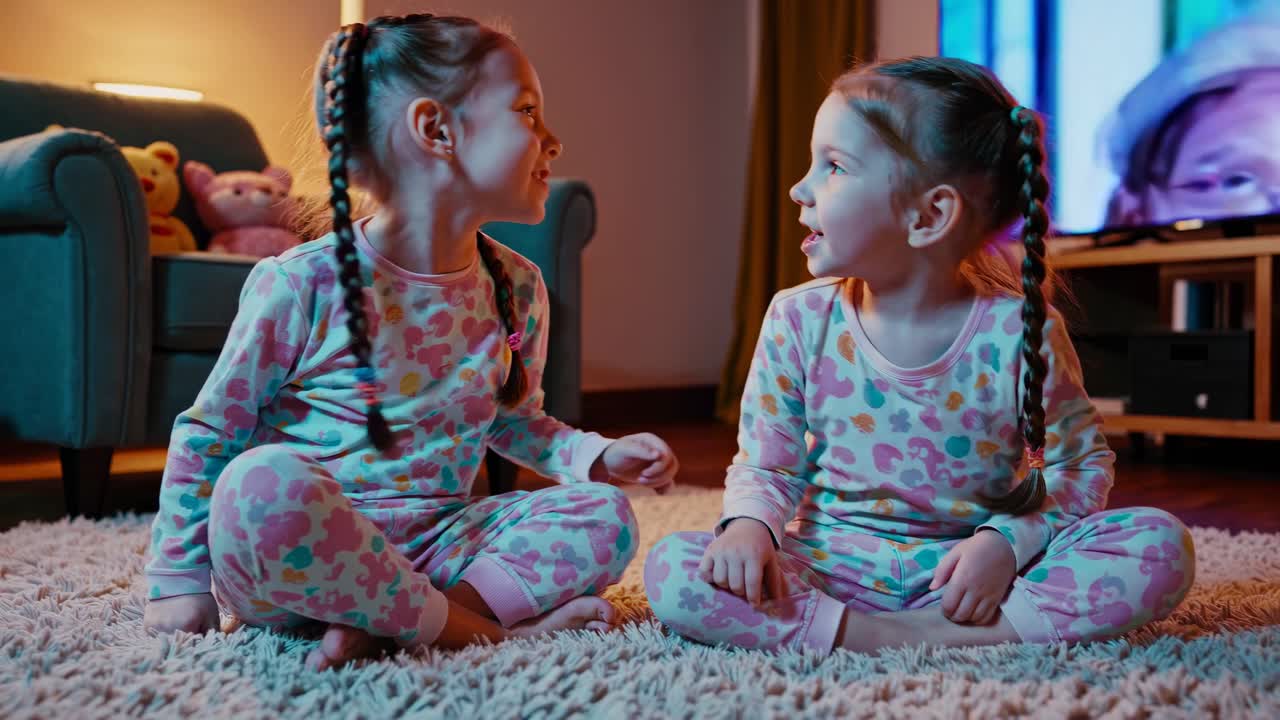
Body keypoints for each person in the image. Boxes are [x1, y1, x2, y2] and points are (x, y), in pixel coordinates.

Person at [143, 14, 678, 670]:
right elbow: (210, 433)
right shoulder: (298, 282)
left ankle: (396, 623)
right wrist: (179, 579)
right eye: (528, 112)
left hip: (437, 543)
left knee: (605, 516)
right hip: (304, 561)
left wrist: (597, 455)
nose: (553, 139)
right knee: (258, 483)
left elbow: (513, 418)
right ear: (436, 130)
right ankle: (475, 632)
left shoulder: (517, 287)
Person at [645, 57, 1194, 655]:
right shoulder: (796, 318)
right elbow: (768, 464)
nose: (798, 189)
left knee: (1158, 546)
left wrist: (1004, 543)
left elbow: (1077, 467)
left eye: (832, 167)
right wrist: (750, 527)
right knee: (676, 568)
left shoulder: (1019, 331)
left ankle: (878, 634)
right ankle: (908, 637)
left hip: (968, 573)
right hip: (831, 567)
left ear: (930, 214)